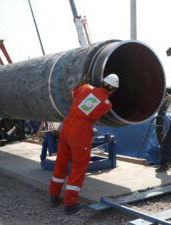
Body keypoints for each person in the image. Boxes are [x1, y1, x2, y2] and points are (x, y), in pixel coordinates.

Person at [48, 74, 119, 215]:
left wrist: (80, 85)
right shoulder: (107, 104)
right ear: (113, 90)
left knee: (61, 163)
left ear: (102, 82)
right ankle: (70, 204)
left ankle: (54, 196)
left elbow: (74, 93)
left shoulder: (86, 88)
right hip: (80, 132)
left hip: (67, 126)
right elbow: (95, 110)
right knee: (79, 167)